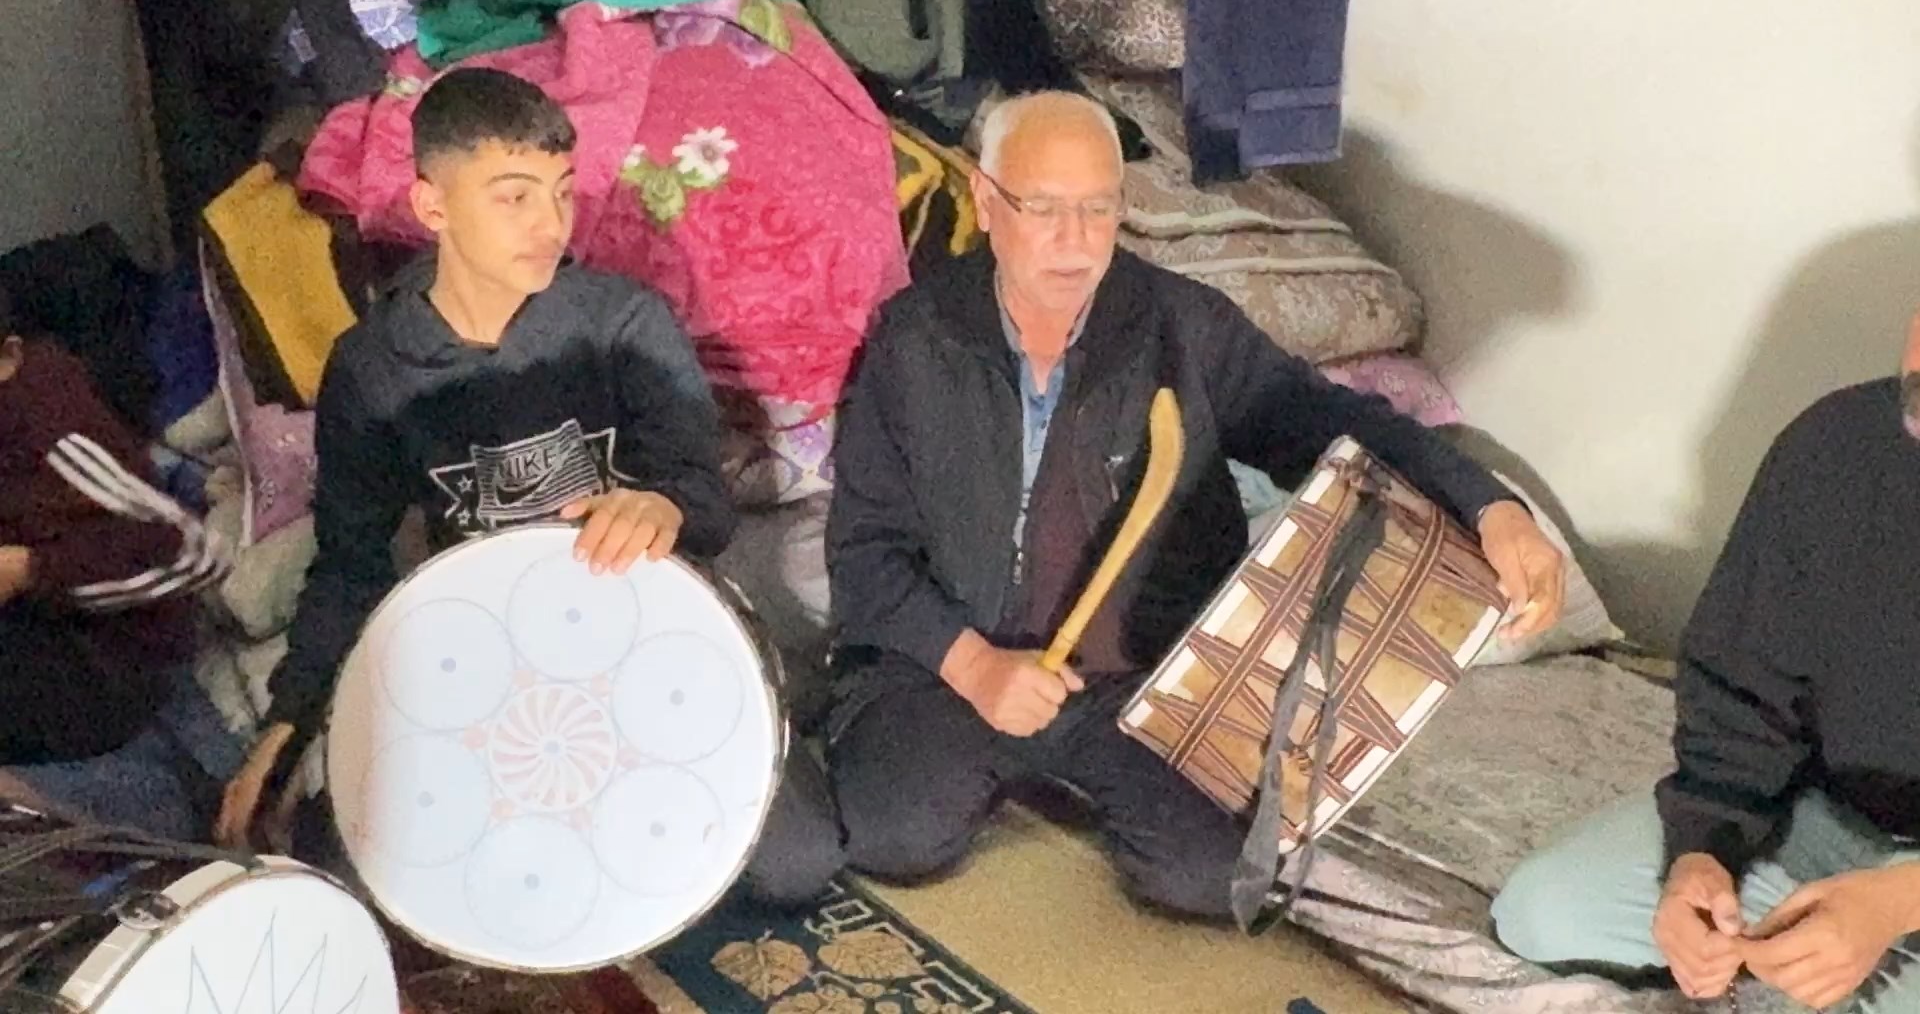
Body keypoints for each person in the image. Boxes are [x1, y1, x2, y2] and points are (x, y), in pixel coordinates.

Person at [823, 91, 1566, 919]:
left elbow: (1329, 421)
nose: (1075, 240)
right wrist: (973, 665)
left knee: (1212, 877)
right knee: (892, 831)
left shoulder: (1182, 328)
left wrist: (1488, 507)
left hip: (1133, 677)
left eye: (1098, 208)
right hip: (954, 665)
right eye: (1043, 209)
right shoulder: (915, 337)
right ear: (987, 202)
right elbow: (864, 553)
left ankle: (1078, 775)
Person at [217, 67, 844, 904]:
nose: (550, 224)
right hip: (493, 655)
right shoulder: (374, 369)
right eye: (513, 197)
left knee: (797, 865)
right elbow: (350, 566)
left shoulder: (622, 322)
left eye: (561, 192)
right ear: (433, 206)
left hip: (643, 631)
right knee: (358, 864)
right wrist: (287, 723)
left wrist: (660, 504)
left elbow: (703, 496)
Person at [1493, 366, 1920, 1012]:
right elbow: (1742, 692)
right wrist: (1701, 854)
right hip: (1819, 814)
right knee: (1540, 912)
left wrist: (1894, 903)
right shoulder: (1837, 443)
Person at [0, 280, 240, 837]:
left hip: (113, 661)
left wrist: (30, 569)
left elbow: (193, 553)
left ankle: (144, 806)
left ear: (10, 356)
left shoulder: (51, 436)